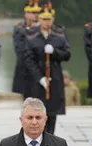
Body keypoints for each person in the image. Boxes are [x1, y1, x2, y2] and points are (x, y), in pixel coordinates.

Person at [24, 4, 70, 135]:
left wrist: (55, 52)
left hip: (54, 77)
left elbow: (67, 55)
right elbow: (28, 60)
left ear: (53, 20)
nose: (46, 22)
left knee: (52, 111)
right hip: (37, 81)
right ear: (39, 20)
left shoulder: (59, 37)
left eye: (49, 19)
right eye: (43, 19)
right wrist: (40, 78)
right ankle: (39, 138)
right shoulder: (31, 38)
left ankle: (51, 137)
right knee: (37, 111)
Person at [11, 0, 39, 97]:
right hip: (25, 70)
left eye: (37, 13)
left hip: (40, 69)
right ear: (26, 14)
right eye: (33, 12)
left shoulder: (42, 28)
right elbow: (19, 51)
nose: (36, 15)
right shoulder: (20, 29)